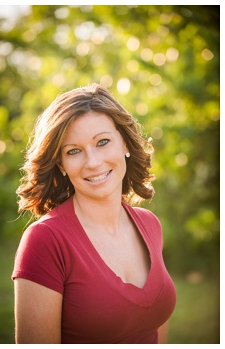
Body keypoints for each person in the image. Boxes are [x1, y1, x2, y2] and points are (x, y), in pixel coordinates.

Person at [11, 83, 176, 344]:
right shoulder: (45, 240)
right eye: (73, 151)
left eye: (102, 142)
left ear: (124, 143)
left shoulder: (150, 225)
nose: (93, 162)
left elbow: (157, 330)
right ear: (60, 164)